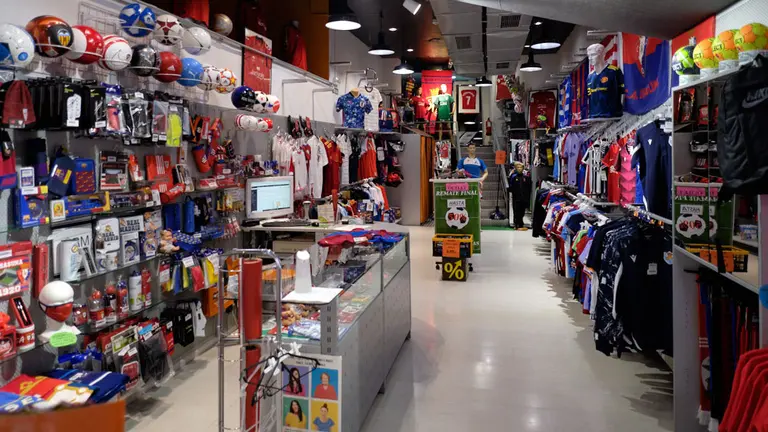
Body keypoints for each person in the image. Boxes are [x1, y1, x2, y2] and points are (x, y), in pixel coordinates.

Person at [508, 161, 532, 230]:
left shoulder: (526, 178)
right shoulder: (513, 177)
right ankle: (516, 223)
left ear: (523, 168)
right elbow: (510, 187)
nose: (519, 169)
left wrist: (527, 198)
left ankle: (520, 223)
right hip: (516, 197)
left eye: (520, 167)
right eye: (518, 167)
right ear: (515, 168)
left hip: (524, 198)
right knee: (516, 211)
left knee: (522, 211)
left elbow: (529, 188)